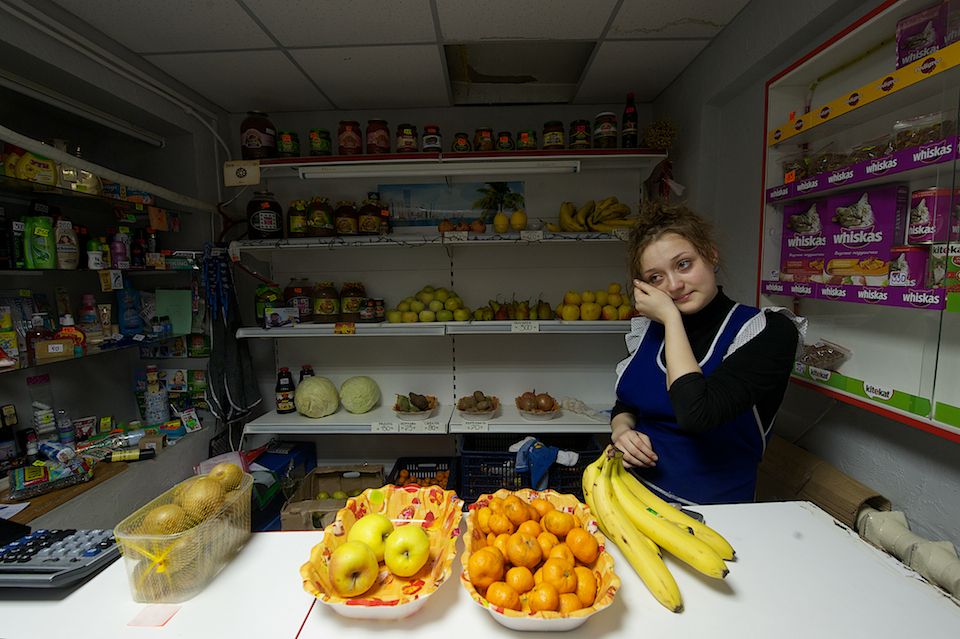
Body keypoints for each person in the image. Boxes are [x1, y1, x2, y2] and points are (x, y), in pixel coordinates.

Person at [611, 201, 801, 505]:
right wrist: (622, 431)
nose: (674, 285)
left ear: (711, 254)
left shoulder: (767, 331)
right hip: (628, 498)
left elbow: (696, 414)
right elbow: (627, 403)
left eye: (684, 264)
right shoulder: (648, 330)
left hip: (715, 518)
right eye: (656, 277)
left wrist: (672, 320)